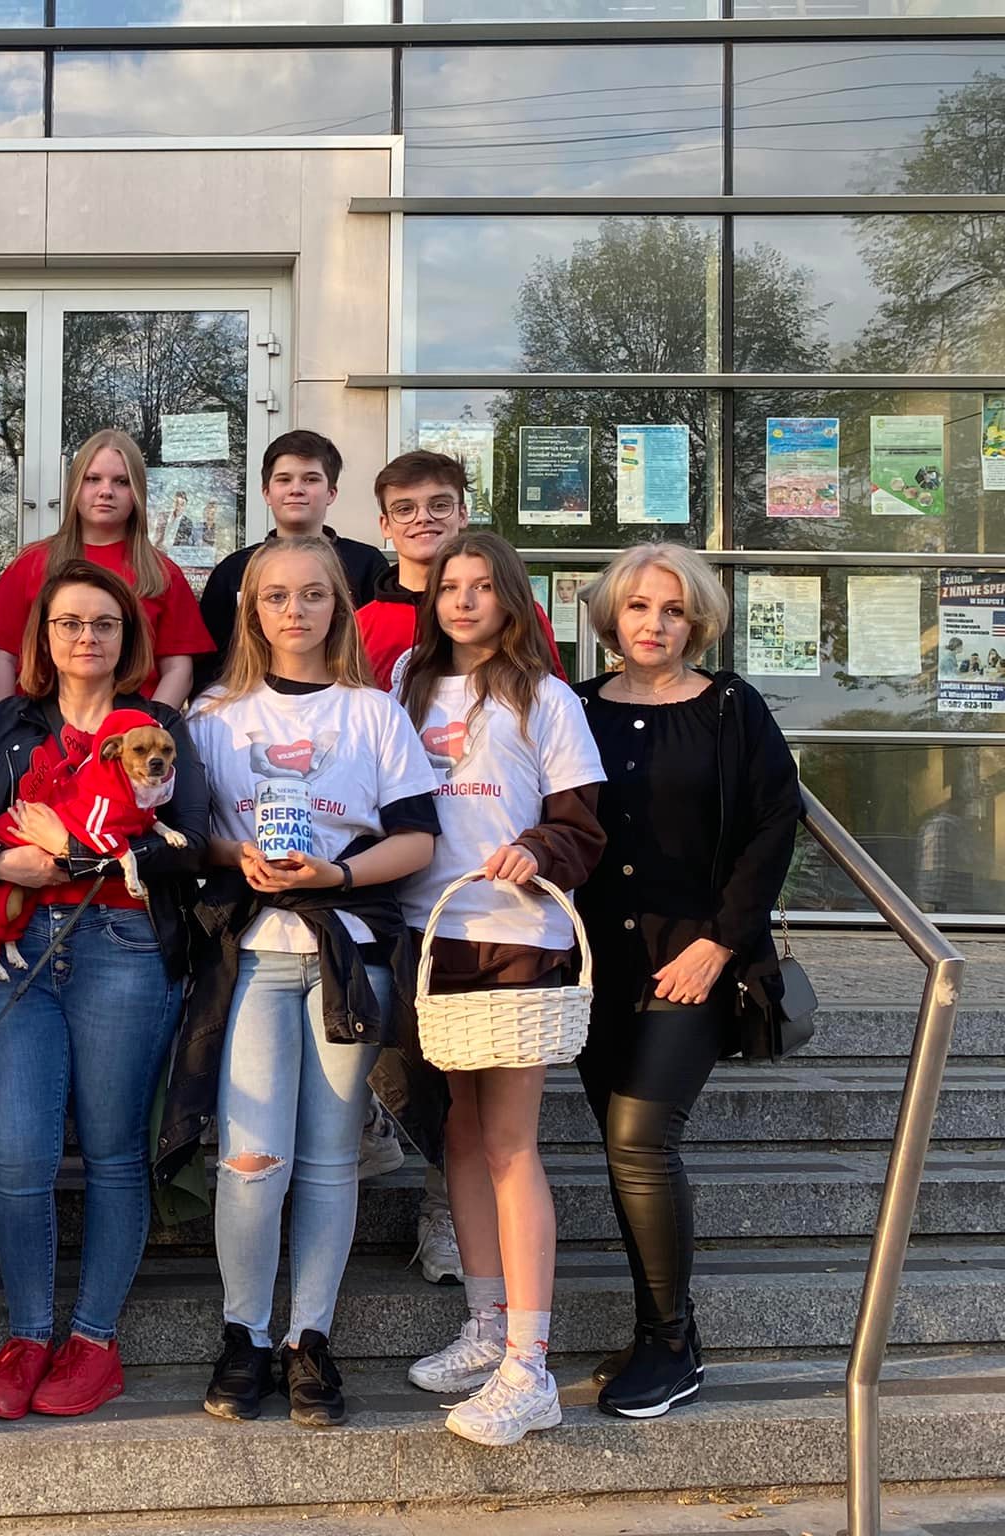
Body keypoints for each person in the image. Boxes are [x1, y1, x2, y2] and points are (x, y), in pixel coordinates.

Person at [171, 536, 438, 1427]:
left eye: (314, 594)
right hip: (249, 955)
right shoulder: (214, 715)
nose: (295, 610)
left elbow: (417, 839)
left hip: (346, 954)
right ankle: (243, 1334)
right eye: (276, 596)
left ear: (338, 607)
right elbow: (191, 836)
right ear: (251, 608)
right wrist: (232, 857)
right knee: (251, 1162)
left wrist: (339, 874)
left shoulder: (373, 712)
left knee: (329, 1160)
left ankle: (308, 1339)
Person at [0, 559, 208, 1420]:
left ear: (129, 638)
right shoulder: (12, 723)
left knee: (114, 1151)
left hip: (124, 946)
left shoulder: (159, 726)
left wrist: (83, 857)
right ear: (43, 638)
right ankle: (26, 1336)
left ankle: (93, 1340)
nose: (86, 637)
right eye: (69, 623)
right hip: (23, 945)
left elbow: (192, 840)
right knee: (18, 1155)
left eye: (104, 623)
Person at [574, 544, 799, 1419]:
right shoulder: (576, 706)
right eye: (638, 607)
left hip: (692, 957)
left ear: (696, 621)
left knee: (640, 1136)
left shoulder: (730, 707)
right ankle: (659, 1332)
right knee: (620, 1144)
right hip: (596, 963)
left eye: (672, 610)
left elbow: (773, 823)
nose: (654, 624)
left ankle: (671, 1344)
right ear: (611, 617)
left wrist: (722, 942)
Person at [394, 531, 605, 1448]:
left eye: (483, 586)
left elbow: (581, 825)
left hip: (515, 937)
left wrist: (537, 850)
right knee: (459, 1133)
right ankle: (485, 1326)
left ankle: (530, 1364)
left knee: (511, 1143)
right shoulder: (405, 682)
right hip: (427, 934)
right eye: (451, 586)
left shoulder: (546, 696)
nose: (465, 600)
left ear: (512, 598)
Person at [0, 430, 213, 712]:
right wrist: (1, 730)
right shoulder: (31, 563)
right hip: (36, 729)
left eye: (121, 481)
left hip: (129, 730)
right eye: (93, 479)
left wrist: (147, 728)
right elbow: (5, 660)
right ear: (75, 486)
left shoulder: (162, 574)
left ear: (137, 491)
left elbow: (178, 670)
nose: (106, 491)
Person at [196, 430, 386, 692]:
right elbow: (209, 659)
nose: (296, 489)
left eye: (311, 479)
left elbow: (379, 646)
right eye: (284, 479)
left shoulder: (366, 563)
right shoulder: (233, 570)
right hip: (250, 702)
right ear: (266, 492)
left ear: (331, 493)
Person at [358, 452, 562, 689]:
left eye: (439, 505)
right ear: (385, 525)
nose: (423, 517)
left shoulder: (513, 612)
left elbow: (553, 699)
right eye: (404, 509)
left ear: (463, 514)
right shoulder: (359, 627)